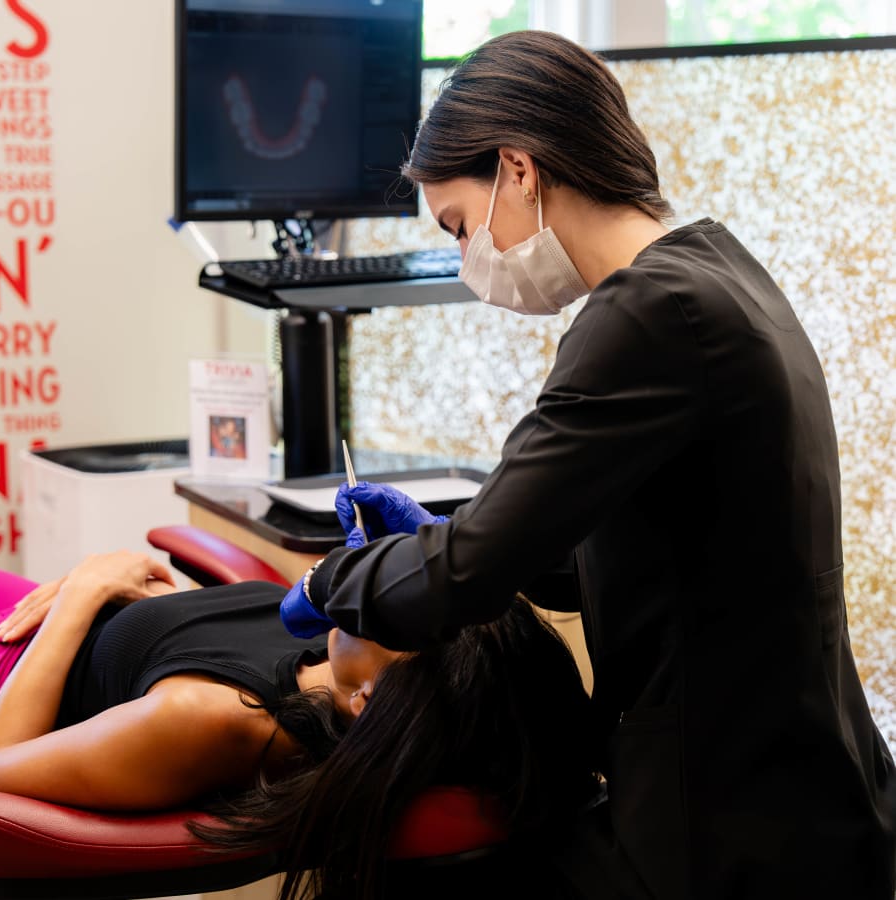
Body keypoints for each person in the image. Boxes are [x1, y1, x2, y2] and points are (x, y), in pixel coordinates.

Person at [281, 29, 896, 900]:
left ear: (518, 170)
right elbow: (632, 546)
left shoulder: (646, 314)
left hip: (728, 827)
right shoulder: (718, 272)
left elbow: (467, 578)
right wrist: (441, 535)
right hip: (806, 787)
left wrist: (329, 584)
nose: (469, 263)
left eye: (460, 226)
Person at [0, 551, 596, 900]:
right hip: (32, 618)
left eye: (398, 614)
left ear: (368, 700)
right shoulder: (326, 644)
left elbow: (2, 761)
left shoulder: (215, 720)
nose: (380, 590)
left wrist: (85, 590)